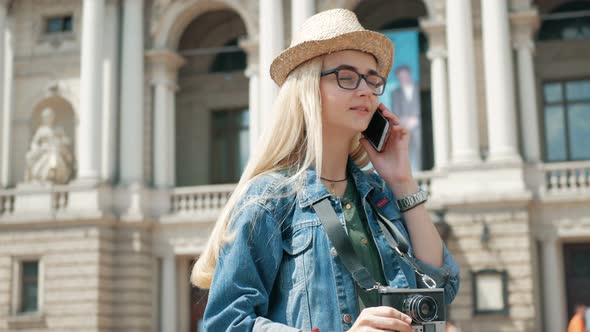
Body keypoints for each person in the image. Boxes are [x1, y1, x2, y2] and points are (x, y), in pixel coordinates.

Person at [191, 8, 460, 332]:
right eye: (347, 77)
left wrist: (402, 180)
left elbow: (441, 290)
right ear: (307, 88)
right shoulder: (269, 199)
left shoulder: (382, 195)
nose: (365, 90)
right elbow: (224, 324)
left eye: (373, 80)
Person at [24, 107, 76, 184]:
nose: (48, 118)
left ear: (53, 117)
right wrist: (36, 148)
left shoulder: (58, 129)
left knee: (54, 151)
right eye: (46, 117)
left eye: (49, 116)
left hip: (55, 148)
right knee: (30, 155)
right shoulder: (41, 130)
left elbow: (66, 140)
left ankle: (52, 169)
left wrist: (60, 141)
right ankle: (48, 171)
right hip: (43, 149)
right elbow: (35, 143)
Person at [390, 65, 422, 172]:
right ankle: (409, 172)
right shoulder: (395, 93)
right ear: (398, 78)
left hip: (419, 125)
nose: (404, 78)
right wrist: (406, 122)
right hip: (404, 125)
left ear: (410, 74)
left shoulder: (419, 87)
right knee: (403, 149)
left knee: (420, 146)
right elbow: (395, 112)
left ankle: (420, 169)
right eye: (400, 77)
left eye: (405, 75)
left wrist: (416, 118)